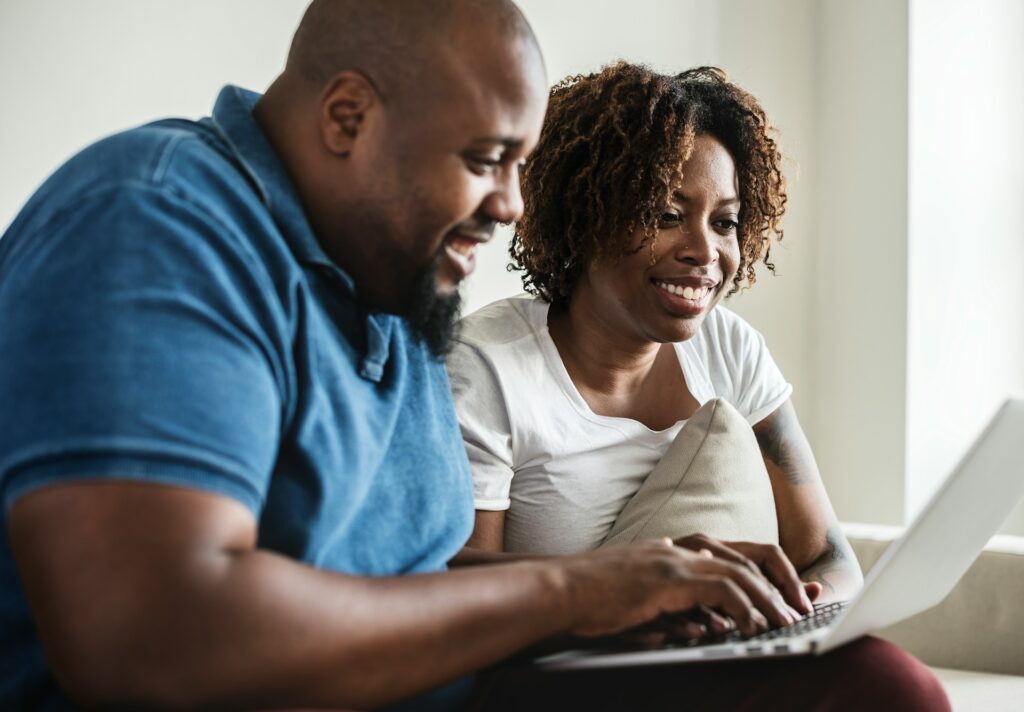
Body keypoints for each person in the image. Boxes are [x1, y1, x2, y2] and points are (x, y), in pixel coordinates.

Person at [0, 1, 948, 709]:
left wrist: (654, 594)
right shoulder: (158, 226)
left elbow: (422, 587)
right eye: (486, 157)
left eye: (519, 164)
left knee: (867, 684)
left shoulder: (394, 282)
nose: (512, 207)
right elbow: (153, 642)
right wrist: (576, 589)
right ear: (347, 117)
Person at [448, 62, 949, 706]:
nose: (704, 251)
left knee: (885, 677)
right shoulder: (489, 366)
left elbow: (829, 557)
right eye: (665, 213)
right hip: (569, 679)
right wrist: (627, 591)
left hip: (725, 658)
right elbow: (457, 600)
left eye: (725, 221)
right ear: (585, 213)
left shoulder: (729, 347)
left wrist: (791, 613)